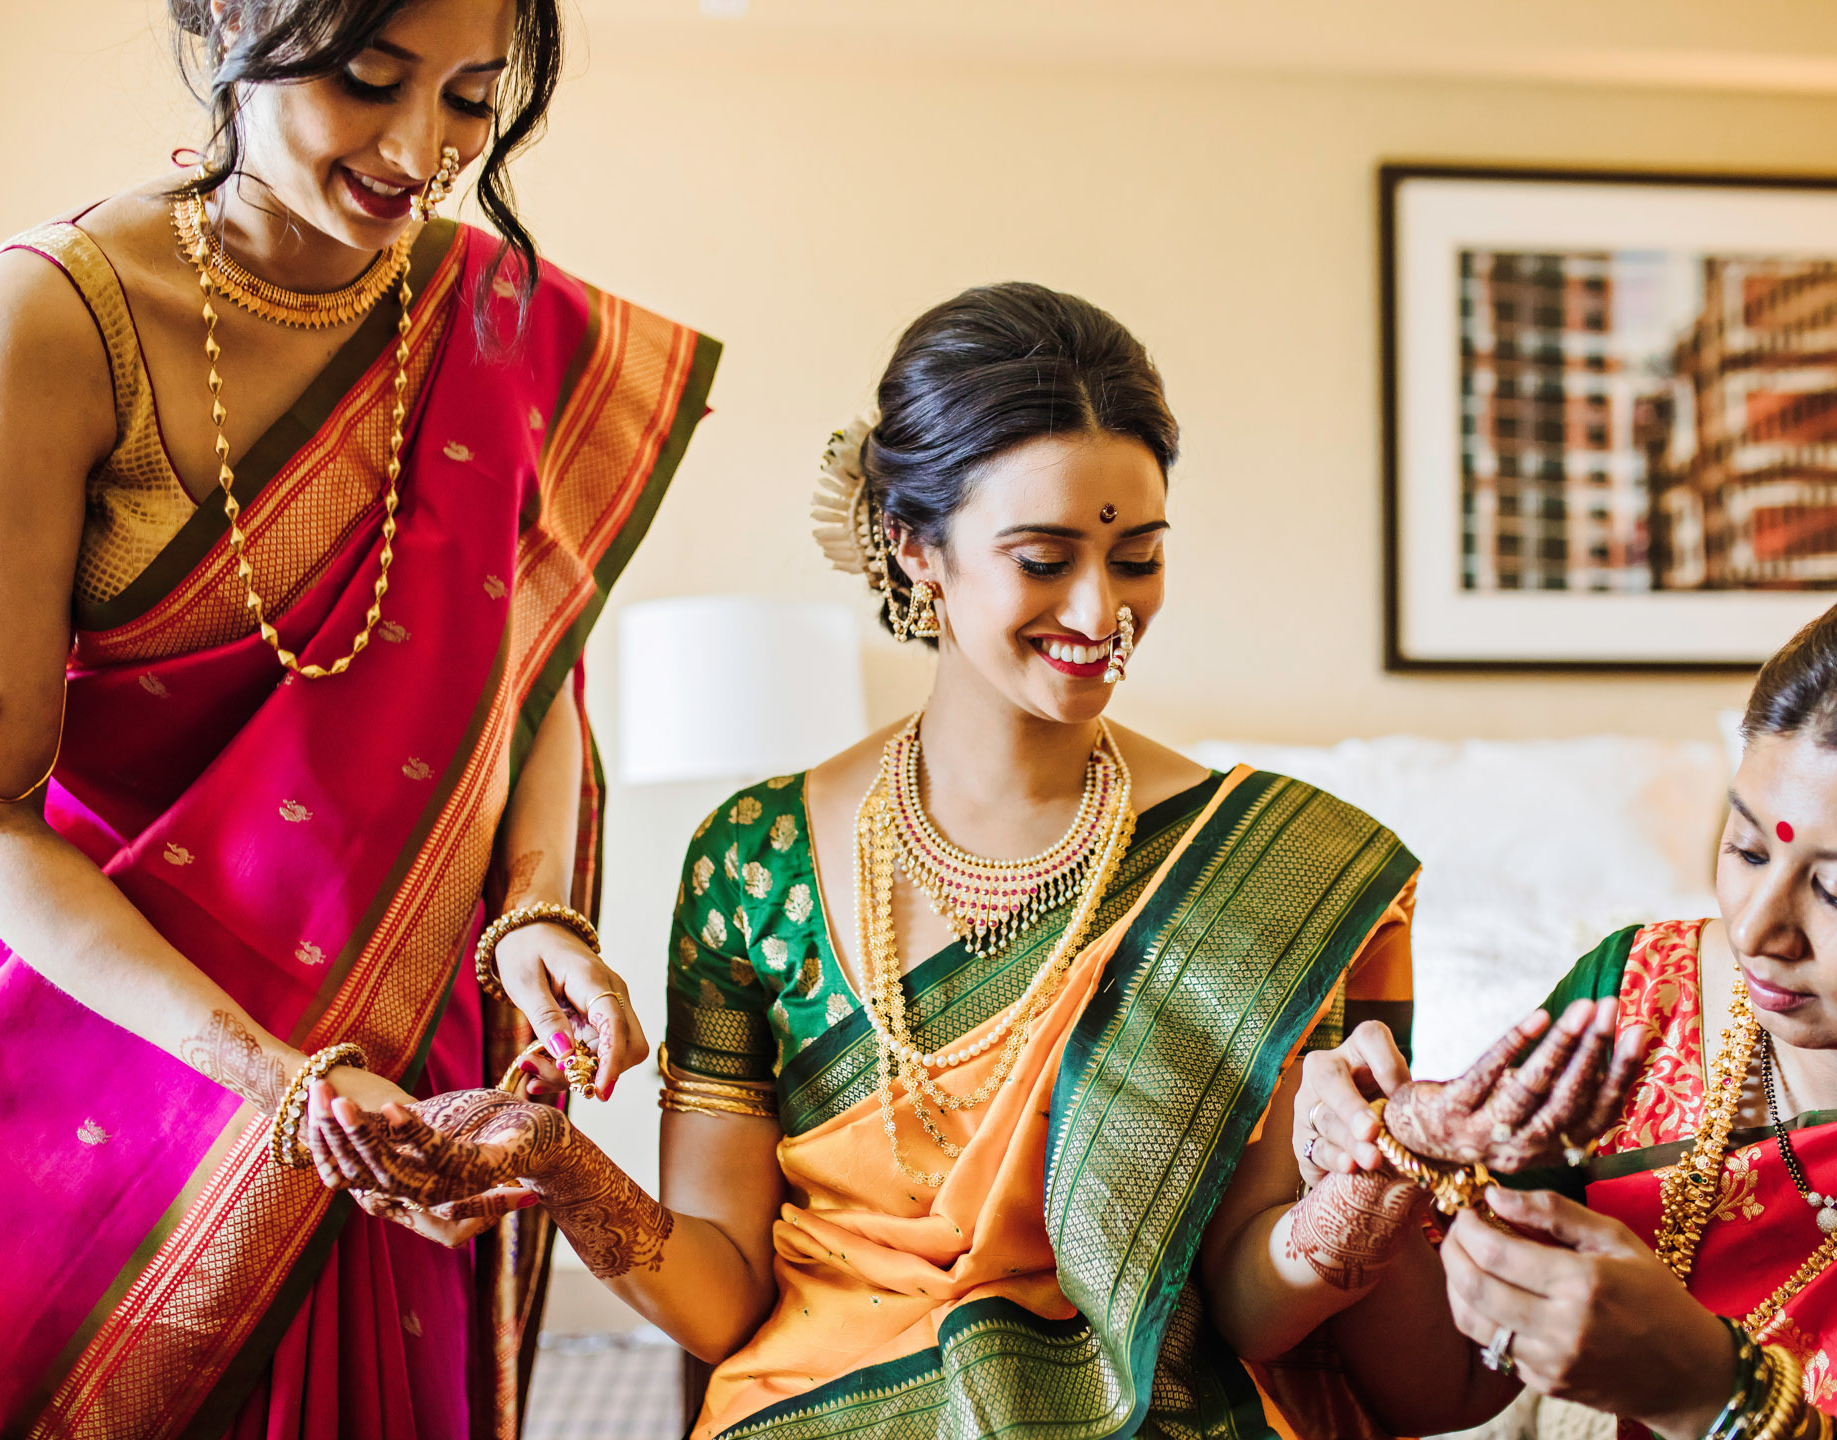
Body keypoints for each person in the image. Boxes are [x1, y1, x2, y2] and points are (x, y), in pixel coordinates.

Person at [306, 281, 1637, 1439]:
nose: (1103, 613)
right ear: (915, 546)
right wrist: (562, 1164)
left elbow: (1246, 1305)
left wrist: (1360, 1201)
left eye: (1140, 558)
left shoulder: (1279, 869)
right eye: (1046, 558)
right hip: (820, 1412)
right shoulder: (755, 860)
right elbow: (725, 1299)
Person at [0, 0, 716, 1433]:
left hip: (395, 1061)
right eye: (371, 81)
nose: (421, 149)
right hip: (107, 1063)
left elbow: (531, 666)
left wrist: (534, 914)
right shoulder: (46, 320)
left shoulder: (500, 315)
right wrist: (282, 1081)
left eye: (473, 101)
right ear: (233, 21)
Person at [1292, 581, 1837, 1439]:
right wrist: (1377, 1167)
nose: (1757, 928)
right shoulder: (1636, 1003)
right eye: (1746, 847)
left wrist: (1715, 1397)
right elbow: (1448, 1384)